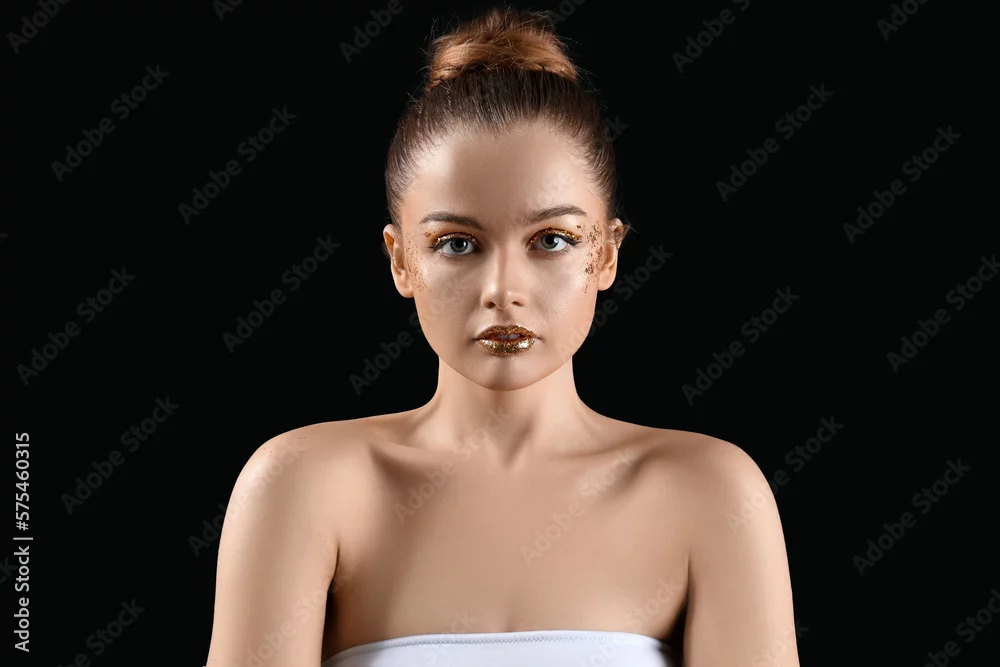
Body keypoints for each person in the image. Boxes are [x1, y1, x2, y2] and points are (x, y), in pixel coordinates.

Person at [205, 7, 799, 667]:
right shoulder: (302, 486)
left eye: (552, 240)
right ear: (400, 261)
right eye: (457, 243)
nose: (503, 289)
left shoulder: (709, 493)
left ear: (606, 254)